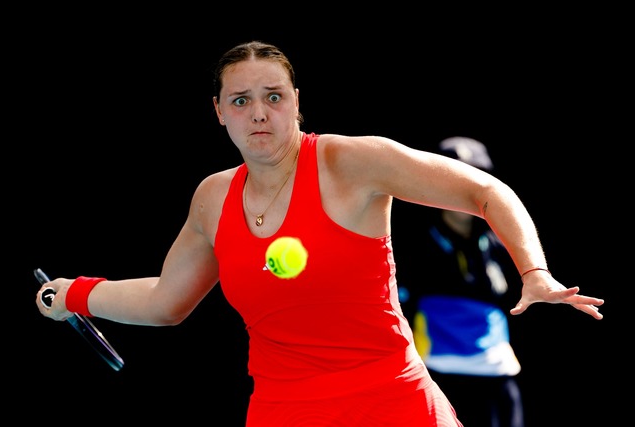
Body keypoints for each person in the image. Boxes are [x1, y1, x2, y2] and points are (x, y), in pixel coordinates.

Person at [35, 41, 604, 427]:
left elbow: (486, 192)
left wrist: (534, 271)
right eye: (241, 100)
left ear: (297, 103)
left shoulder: (350, 162)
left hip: (393, 403)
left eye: (273, 97)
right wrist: (73, 293)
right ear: (219, 112)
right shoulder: (212, 197)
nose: (259, 113)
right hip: (282, 410)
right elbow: (166, 301)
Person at [397, 137, 526, 427]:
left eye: (475, 178)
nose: (464, 189)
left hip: (498, 377)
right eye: (455, 177)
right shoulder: (409, 245)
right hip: (438, 378)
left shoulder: (502, 245)